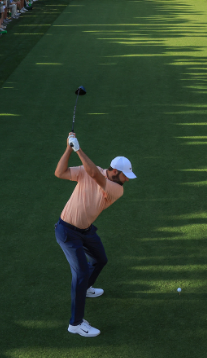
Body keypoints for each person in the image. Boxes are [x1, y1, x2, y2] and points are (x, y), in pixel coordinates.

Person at [53, 132, 136, 338]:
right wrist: (69, 148)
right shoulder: (89, 171)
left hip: (86, 230)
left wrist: (78, 149)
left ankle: (87, 287)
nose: (127, 179)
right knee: (80, 273)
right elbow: (60, 172)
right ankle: (76, 323)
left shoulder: (117, 189)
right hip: (67, 231)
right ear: (115, 171)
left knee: (100, 259)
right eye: (125, 175)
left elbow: (95, 176)